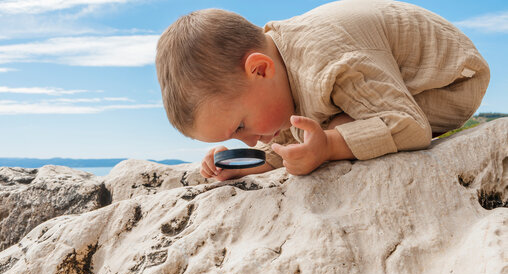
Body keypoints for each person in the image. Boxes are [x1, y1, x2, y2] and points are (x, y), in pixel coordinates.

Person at [155, 0, 489, 181]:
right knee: (308, 134)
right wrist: (243, 164)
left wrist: (327, 147)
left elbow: (408, 125)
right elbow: (289, 136)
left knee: (331, 131)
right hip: (385, 76)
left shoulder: (333, 64)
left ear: (260, 69)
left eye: (240, 127)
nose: (252, 140)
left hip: (449, 81)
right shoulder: (278, 71)